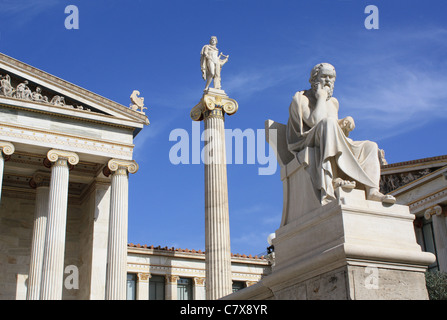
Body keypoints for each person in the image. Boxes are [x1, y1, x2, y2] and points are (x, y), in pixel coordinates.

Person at [286, 63, 395, 205]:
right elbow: (316, 121)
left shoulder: (334, 102)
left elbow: (334, 128)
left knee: (370, 146)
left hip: (326, 135)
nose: (328, 81)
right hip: (306, 140)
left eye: (331, 78)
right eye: (324, 76)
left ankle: (372, 191)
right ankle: (333, 180)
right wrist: (321, 98)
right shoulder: (301, 98)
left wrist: (344, 122)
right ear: (314, 79)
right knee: (328, 123)